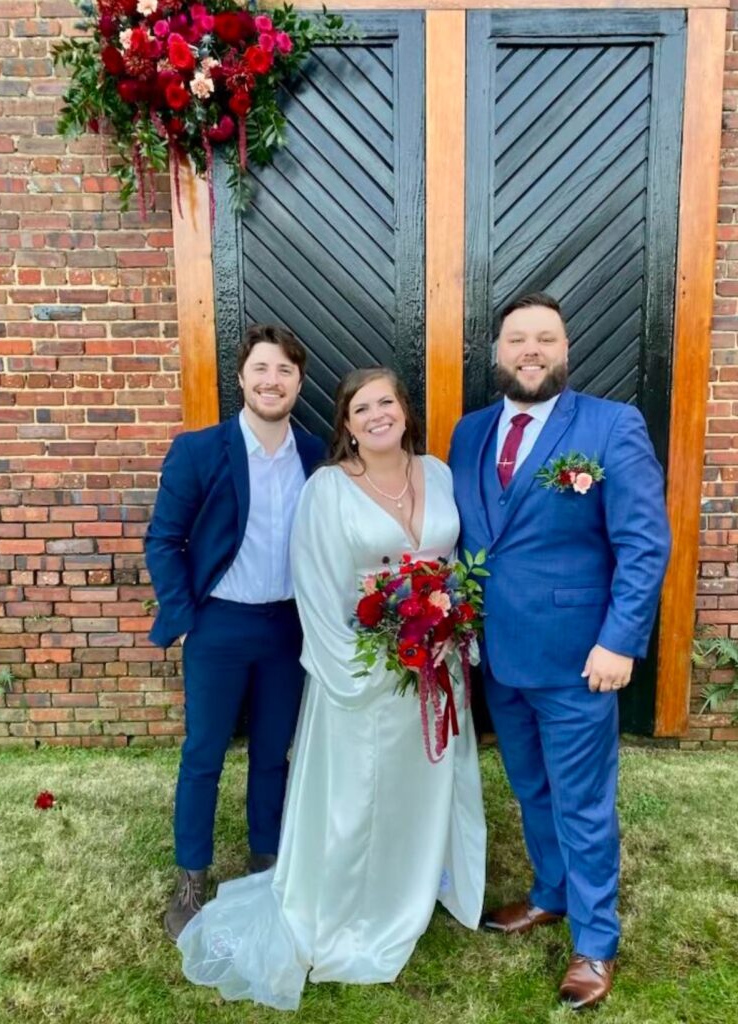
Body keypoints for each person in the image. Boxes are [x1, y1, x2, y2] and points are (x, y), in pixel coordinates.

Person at [177, 367, 486, 1009]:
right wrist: (356, 668)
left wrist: (453, 633)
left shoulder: (441, 474)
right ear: (345, 425)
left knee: (418, 787)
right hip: (362, 675)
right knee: (358, 795)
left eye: (387, 403)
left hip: (434, 669)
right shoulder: (326, 489)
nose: (377, 416)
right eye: (361, 408)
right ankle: (352, 906)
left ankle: (413, 883)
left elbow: (452, 567)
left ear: (405, 410)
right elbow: (316, 591)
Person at [449, 293, 671, 1010]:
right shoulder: (469, 433)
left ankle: (596, 940)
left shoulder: (610, 426)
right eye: (518, 339)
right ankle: (549, 893)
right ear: (499, 353)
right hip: (499, 656)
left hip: (580, 658)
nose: (532, 349)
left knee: (583, 801)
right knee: (530, 786)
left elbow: (643, 543)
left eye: (546, 337)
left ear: (565, 349)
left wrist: (619, 640)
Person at [145, 324, 325, 942]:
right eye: (262, 369)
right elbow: (164, 539)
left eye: (285, 371)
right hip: (220, 624)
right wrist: (186, 613)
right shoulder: (200, 451)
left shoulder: (316, 455)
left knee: (274, 756)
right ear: (242, 377)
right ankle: (191, 878)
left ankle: (265, 866)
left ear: (299, 384)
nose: (272, 381)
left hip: (285, 629)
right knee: (203, 756)